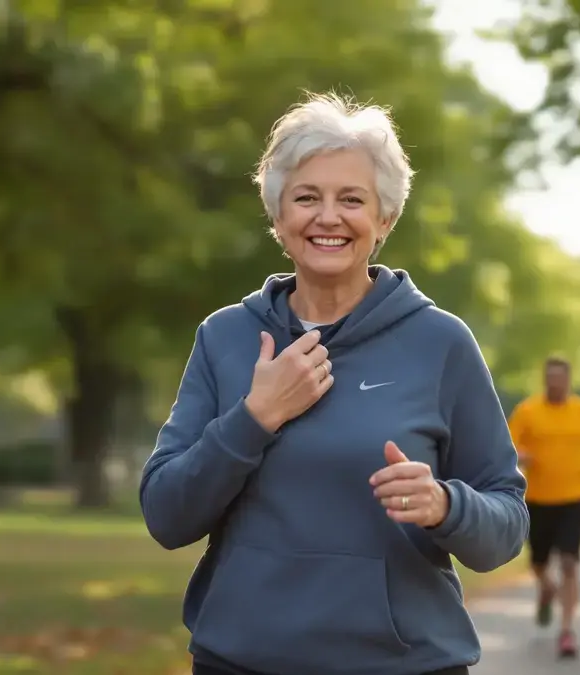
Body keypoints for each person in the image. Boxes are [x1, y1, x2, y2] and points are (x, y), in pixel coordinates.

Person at [138, 92, 528, 675]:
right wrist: (255, 417)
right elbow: (167, 516)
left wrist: (445, 504)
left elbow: (507, 524)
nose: (328, 217)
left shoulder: (441, 343)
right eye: (306, 198)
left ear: (384, 219)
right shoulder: (224, 337)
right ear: (278, 216)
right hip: (242, 661)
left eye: (352, 199)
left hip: (404, 664)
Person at [507, 357, 580, 660]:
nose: (555, 383)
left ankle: (567, 631)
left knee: (569, 562)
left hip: (575, 496)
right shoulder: (527, 410)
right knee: (537, 562)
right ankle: (547, 588)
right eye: (550, 377)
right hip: (537, 498)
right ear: (544, 380)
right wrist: (523, 455)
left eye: (560, 378)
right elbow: (508, 445)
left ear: (568, 380)